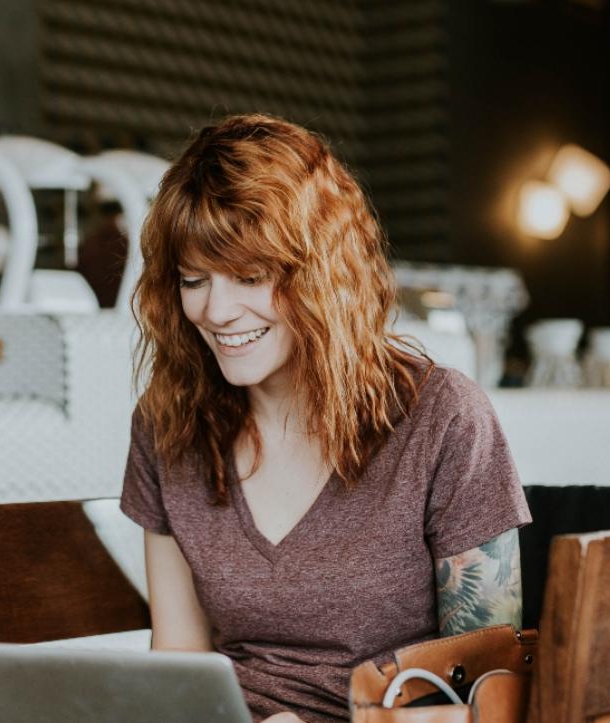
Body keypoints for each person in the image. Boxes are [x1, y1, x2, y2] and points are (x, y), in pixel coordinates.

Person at [120, 114, 531, 723]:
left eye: (251, 277)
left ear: (321, 273)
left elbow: (494, 698)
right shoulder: (168, 425)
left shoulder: (442, 419)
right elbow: (178, 666)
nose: (216, 310)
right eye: (193, 280)